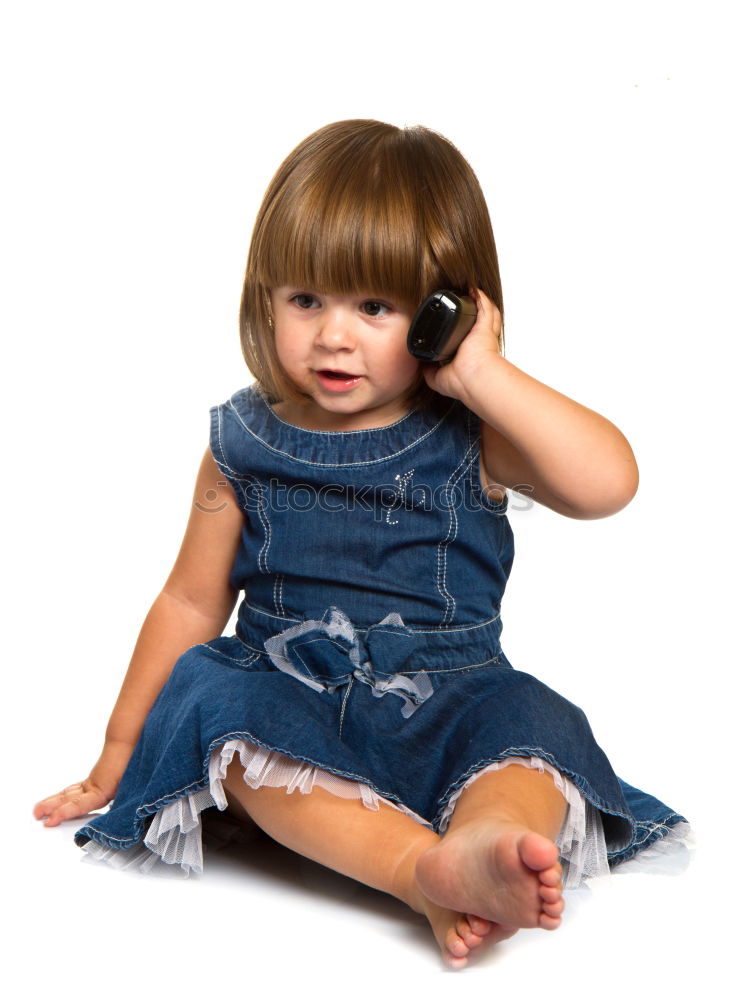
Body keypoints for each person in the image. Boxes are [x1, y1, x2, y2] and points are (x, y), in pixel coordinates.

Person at [33, 119, 688, 969]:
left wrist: (481, 373)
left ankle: (490, 835)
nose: (332, 336)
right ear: (263, 297)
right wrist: (120, 750)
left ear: (444, 314)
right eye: (305, 300)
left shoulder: (475, 433)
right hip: (290, 692)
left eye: (374, 307)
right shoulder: (239, 443)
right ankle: (420, 869)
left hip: (452, 696)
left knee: (530, 727)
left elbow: (607, 485)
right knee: (220, 712)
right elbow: (191, 600)